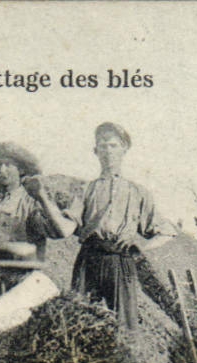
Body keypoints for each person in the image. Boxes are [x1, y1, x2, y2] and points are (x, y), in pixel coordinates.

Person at [70, 122, 173, 329]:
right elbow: (69, 224)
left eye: (113, 145)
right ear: (95, 151)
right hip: (89, 259)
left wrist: (142, 246)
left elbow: (166, 232)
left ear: (124, 149)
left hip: (120, 260)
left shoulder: (137, 192)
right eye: (102, 145)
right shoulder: (85, 189)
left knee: (124, 326)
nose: (108, 151)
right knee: (79, 322)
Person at [0, 142, 73, 294]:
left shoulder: (32, 202)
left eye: (8, 165)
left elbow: (57, 232)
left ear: (20, 170)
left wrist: (42, 198)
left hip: (18, 281)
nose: (1, 170)